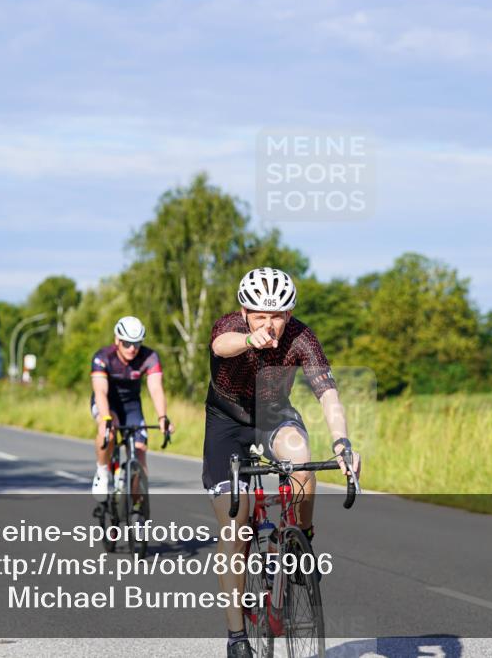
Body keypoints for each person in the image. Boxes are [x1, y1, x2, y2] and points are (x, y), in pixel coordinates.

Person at [204, 267, 361, 658]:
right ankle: (237, 635)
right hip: (228, 423)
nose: (270, 324)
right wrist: (248, 339)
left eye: (277, 316)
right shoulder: (230, 326)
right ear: (244, 311)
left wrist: (342, 442)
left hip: (274, 416)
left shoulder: (301, 337)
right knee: (236, 529)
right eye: (260, 315)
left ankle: (300, 539)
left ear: (289, 315)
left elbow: (327, 391)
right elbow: (222, 345)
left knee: (302, 461)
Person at [90, 316, 174, 501]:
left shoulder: (149, 357)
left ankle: (138, 508)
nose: (132, 349)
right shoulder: (103, 357)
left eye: (136, 343)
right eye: (127, 343)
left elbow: (155, 388)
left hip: (131, 406)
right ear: (117, 340)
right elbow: (100, 391)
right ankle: (102, 473)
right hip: (107, 403)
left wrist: (162, 417)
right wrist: (105, 419)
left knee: (140, 449)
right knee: (108, 432)